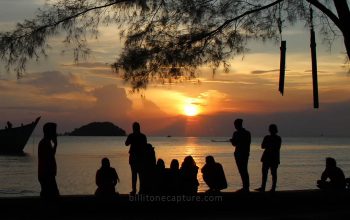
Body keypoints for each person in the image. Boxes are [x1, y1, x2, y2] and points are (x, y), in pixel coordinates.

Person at [255, 124, 282, 192]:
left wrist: (269, 145)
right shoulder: (268, 137)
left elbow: (277, 147)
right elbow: (262, 146)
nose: (270, 130)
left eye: (271, 129)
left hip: (272, 158)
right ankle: (263, 187)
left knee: (273, 173)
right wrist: (270, 145)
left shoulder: (277, 138)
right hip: (268, 157)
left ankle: (272, 188)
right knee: (265, 173)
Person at [38, 122, 60, 198]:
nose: (55, 133)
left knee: (48, 195)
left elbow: (50, 156)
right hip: (47, 175)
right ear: (49, 132)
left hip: (46, 175)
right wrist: (56, 145)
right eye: (54, 131)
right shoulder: (45, 143)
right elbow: (50, 157)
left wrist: (55, 145)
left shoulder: (46, 142)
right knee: (53, 196)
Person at [125, 122, 147, 195]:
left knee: (135, 175)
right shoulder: (143, 136)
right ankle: (140, 190)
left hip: (135, 158)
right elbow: (145, 147)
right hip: (139, 158)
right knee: (140, 175)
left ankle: (135, 190)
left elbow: (126, 143)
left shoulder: (132, 136)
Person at [230, 118, 251, 192]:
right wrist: (233, 141)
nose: (235, 126)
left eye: (235, 124)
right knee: (243, 170)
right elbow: (235, 144)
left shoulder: (237, 133)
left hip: (241, 154)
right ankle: (246, 187)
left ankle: (246, 187)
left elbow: (235, 143)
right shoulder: (247, 133)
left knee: (243, 170)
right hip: (242, 153)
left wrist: (233, 141)